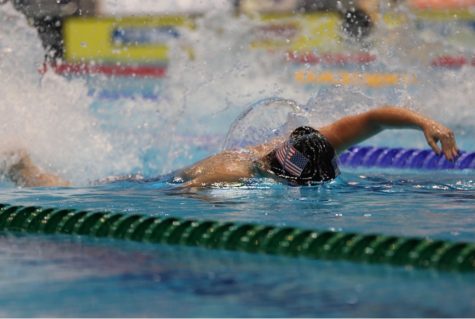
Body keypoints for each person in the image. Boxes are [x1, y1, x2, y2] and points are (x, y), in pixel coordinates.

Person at [1, 106, 458, 188]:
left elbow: (373, 118)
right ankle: (24, 169)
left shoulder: (305, 144)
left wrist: (425, 123)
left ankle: (22, 165)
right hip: (175, 184)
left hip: (188, 175)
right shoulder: (236, 175)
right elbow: (182, 199)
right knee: (97, 191)